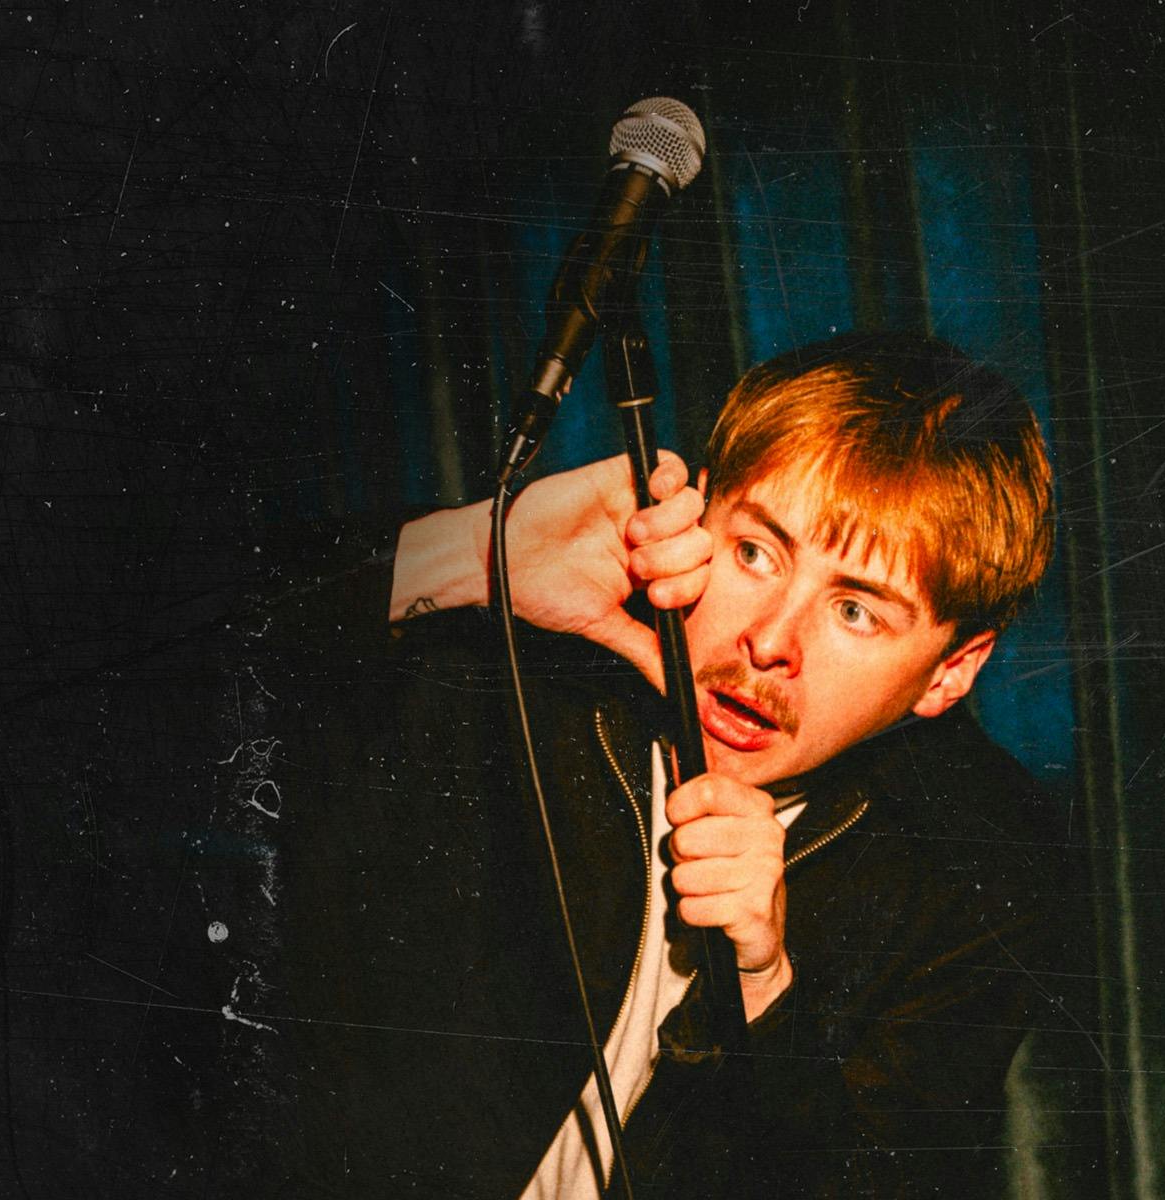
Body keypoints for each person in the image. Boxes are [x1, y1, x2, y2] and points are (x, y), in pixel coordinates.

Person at [272, 332, 1079, 1198]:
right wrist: (471, 556)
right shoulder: (520, 668)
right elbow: (178, 672)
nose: (769, 641)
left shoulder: (980, 860)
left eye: (855, 611)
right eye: (756, 553)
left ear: (951, 672)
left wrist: (765, 990)